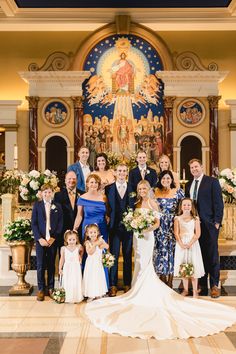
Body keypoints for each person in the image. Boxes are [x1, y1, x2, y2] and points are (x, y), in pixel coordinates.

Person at [84, 182, 236, 340]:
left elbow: (157, 222)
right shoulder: (135, 203)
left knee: (147, 261)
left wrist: (147, 228)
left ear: (148, 190)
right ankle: (136, 286)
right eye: (140, 189)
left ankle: (146, 288)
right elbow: (131, 219)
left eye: (144, 189)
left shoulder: (153, 203)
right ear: (137, 190)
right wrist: (135, 226)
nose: (142, 191)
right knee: (139, 261)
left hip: (148, 237)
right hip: (138, 236)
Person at [185, 158, 224, 298]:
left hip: (210, 225)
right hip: (194, 226)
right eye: (192, 168)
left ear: (202, 167)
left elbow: (219, 203)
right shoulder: (189, 184)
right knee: (198, 255)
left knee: (212, 255)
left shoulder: (212, 182)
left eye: (196, 167)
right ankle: (201, 284)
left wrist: (217, 222)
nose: (194, 169)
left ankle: (214, 285)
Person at [73, 174, 110, 287]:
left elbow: (107, 214)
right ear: (87, 184)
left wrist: (106, 221)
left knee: (101, 255)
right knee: (89, 255)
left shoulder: (103, 197)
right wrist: (74, 229)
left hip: (102, 229)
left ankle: (102, 286)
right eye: (91, 182)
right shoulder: (82, 198)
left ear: (99, 185)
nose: (94, 184)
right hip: (88, 229)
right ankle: (88, 286)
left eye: (96, 182)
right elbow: (79, 216)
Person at [105, 163, 135, 296]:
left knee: (128, 256)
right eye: (119, 171)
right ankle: (113, 285)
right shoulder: (109, 188)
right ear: (115, 173)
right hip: (114, 228)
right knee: (114, 256)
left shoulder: (132, 188)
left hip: (128, 228)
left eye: (124, 171)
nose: (122, 173)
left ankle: (127, 284)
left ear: (127, 173)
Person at [31, 183, 63, 301]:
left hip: (52, 240)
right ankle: (40, 289)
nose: (47, 194)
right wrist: (39, 238)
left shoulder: (57, 206)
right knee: (40, 265)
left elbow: (60, 223)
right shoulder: (37, 206)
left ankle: (50, 288)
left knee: (51, 265)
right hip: (41, 241)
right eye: (45, 192)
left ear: (52, 193)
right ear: (41, 193)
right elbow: (34, 223)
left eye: (49, 192)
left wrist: (53, 237)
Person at [153, 170, 184, 288]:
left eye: (168, 178)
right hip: (159, 226)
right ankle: (162, 279)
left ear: (172, 180)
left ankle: (170, 280)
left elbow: (183, 208)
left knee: (171, 251)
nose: (166, 181)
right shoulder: (155, 192)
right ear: (160, 180)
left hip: (173, 225)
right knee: (160, 251)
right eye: (163, 179)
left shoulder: (178, 192)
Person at [173, 198, 205, 298]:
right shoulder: (177, 218)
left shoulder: (195, 218)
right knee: (183, 267)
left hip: (193, 244)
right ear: (181, 207)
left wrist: (190, 243)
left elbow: (198, 234)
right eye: (184, 205)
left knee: (193, 265)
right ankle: (186, 290)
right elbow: (176, 233)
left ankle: (195, 290)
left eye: (188, 205)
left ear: (191, 207)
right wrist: (181, 244)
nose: (186, 207)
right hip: (181, 244)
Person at [54, 171, 83, 249]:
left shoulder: (83, 194)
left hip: (79, 230)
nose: (72, 181)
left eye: (74, 179)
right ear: (65, 180)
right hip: (63, 231)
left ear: (77, 180)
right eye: (69, 179)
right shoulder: (58, 195)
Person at [82, 224, 109, 302]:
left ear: (98, 232)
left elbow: (107, 246)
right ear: (87, 234)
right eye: (91, 232)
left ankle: (98, 293)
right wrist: (95, 244)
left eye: (94, 232)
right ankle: (91, 294)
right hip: (91, 264)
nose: (93, 234)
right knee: (91, 278)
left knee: (98, 277)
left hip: (98, 264)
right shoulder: (87, 242)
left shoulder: (100, 239)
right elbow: (90, 252)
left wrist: (102, 244)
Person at [58, 230, 83, 303]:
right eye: (70, 240)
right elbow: (62, 259)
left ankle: (76, 297)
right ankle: (68, 297)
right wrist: (60, 268)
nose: (72, 241)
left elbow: (82, 253)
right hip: (67, 268)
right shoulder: (63, 248)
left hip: (76, 267)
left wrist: (80, 257)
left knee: (75, 281)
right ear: (66, 240)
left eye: (74, 240)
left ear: (76, 240)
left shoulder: (78, 247)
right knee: (68, 281)